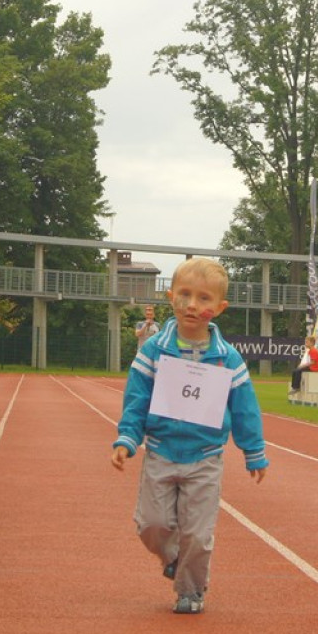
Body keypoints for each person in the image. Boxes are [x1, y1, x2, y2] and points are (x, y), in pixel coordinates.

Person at [110, 257, 268, 615]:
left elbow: (245, 407)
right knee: (151, 525)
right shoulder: (154, 351)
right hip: (161, 452)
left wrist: (254, 451)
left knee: (197, 534)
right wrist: (126, 439)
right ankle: (174, 559)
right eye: (185, 295)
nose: (193, 305)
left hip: (205, 457)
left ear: (220, 308)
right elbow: (137, 400)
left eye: (203, 299)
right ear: (170, 297)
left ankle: (191, 591)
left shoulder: (227, 359)